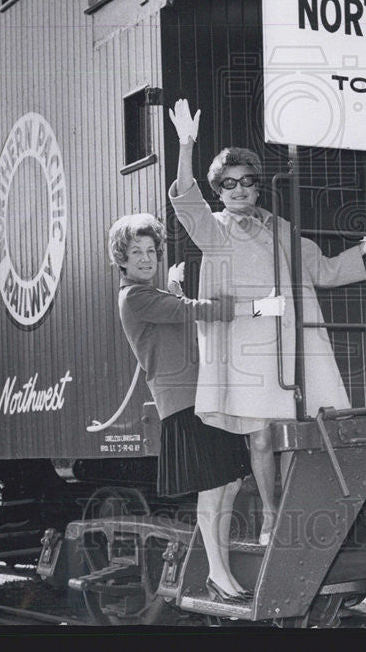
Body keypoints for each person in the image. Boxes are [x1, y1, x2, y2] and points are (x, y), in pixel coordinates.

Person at [167, 99, 366, 545]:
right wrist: (186, 143)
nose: (240, 190)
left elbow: (321, 270)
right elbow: (185, 198)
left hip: (290, 349)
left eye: (247, 181)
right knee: (262, 440)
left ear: (257, 186)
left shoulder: (283, 228)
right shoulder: (214, 229)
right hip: (248, 353)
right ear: (219, 191)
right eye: (229, 184)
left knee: (293, 437)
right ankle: (270, 516)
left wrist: (365, 249)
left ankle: (287, 516)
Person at [108, 213, 251, 602]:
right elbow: (188, 310)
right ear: (121, 258)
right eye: (135, 251)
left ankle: (220, 572)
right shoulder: (135, 297)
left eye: (151, 251)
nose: (145, 258)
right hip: (184, 402)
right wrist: (251, 307)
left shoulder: (153, 295)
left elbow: (173, 310)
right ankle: (218, 574)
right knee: (214, 486)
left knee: (231, 481)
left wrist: (172, 282)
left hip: (203, 396)